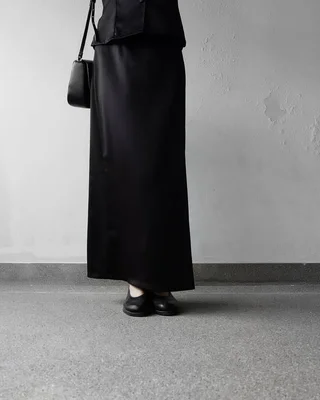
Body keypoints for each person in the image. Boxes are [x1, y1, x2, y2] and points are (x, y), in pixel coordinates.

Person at [86, 0, 195, 317]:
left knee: (163, 162)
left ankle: (162, 279)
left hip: (162, 43)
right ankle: (135, 279)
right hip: (116, 45)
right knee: (122, 161)